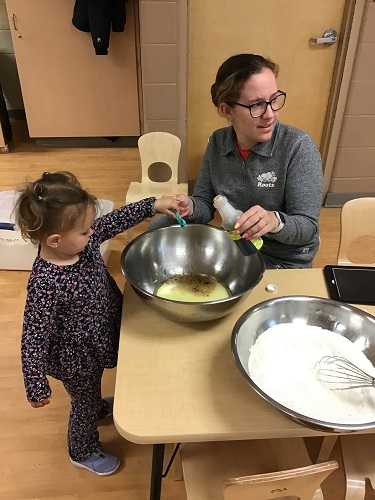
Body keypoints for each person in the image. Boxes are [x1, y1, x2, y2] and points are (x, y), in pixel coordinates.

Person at [14, 171, 186, 476]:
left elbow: (113, 221)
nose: (94, 233)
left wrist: (154, 204)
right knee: (81, 402)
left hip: (99, 336)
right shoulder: (45, 283)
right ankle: (82, 450)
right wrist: (35, 383)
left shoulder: (81, 243)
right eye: (85, 230)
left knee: (91, 395)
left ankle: (96, 406)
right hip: (75, 359)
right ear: (54, 240)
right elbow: (33, 337)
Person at [150, 53, 323, 269]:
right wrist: (190, 206)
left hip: (282, 258)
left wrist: (274, 221)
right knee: (158, 227)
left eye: (274, 99)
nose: (270, 114)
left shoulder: (297, 147)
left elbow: (307, 227)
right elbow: (205, 203)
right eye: (256, 105)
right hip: (238, 245)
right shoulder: (218, 142)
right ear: (226, 110)